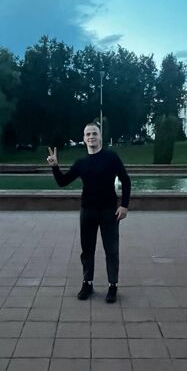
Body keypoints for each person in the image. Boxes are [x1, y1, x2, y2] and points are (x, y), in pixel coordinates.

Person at [47, 123, 131, 303]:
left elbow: (125, 180)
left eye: (94, 133)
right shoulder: (81, 163)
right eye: (88, 134)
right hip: (88, 211)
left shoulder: (111, 157)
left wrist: (124, 205)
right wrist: (55, 166)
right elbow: (63, 182)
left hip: (109, 211)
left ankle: (113, 285)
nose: (91, 136)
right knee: (87, 250)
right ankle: (87, 283)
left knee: (111, 250)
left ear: (100, 137)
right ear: (84, 139)